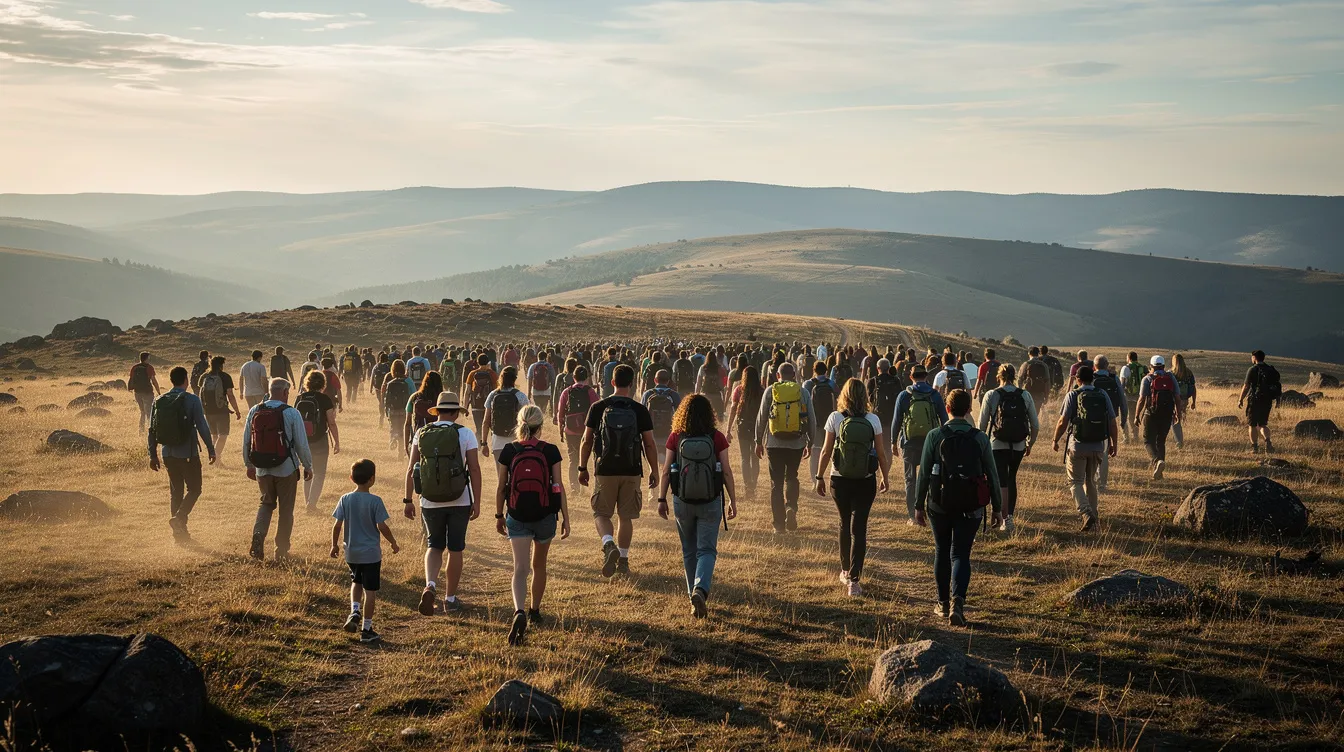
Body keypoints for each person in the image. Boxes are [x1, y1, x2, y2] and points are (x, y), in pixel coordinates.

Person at [914, 389, 1001, 627]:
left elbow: (923, 474)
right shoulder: (980, 438)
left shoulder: (935, 435)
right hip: (971, 505)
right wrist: (997, 508)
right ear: (969, 409)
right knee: (961, 553)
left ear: (947, 408)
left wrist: (918, 505)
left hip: (939, 504)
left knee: (942, 551)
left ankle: (942, 603)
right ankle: (958, 602)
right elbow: (992, 474)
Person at [495, 405, 570, 644]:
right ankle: (535, 610)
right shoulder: (551, 451)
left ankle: (519, 611)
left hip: (516, 514)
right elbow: (558, 486)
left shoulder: (509, 450)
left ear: (520, 424)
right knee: (539, 565)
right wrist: (565, 517)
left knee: (520, 568)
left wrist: (499, 515)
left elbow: (501, 487)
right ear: (541, 425)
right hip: (545, 515)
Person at [657, 394, 738, 619]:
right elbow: (727, 471)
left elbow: (666, 470)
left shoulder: (676, 437)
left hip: (682, 501)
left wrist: (661, 499)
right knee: (707, 550)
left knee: (688, 551)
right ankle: (700, 590)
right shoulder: (717, 437)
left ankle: (693, 596)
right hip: (710, 500)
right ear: (709, 414)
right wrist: (733, 499)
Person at [405, 391, 483, 615]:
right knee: (455, 548)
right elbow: (475, 469)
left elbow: (412, 469)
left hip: (429, 499)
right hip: (459, 498)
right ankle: (450, 599)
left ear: (437, 411)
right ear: (457, 413)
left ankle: (430, 585)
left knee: (434, 545)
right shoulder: (465, 433)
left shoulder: (422, 432)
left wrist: (407, 499)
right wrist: (477, 501)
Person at [579, 364, 659, 578]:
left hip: (605, 469)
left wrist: (582, 467)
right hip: (632, 469)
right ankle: (623, 560)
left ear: (612, 382)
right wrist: (654, 470)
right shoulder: (639, 409)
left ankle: (608, 544)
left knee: (601, 514)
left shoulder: (598, 407)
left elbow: (586, 441)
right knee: (626, 517)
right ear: (631, 384)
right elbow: (649, 444)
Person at [813, 379, 891, 596]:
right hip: (866, 479)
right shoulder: (873, 419)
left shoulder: (835, 417)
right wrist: (885, 476)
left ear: (844, 395)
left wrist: (819, 476)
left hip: (840, 479)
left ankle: (845, 570)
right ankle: (854, 581)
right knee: (860, 528)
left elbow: (826, 451)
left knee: (843, 524)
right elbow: (881, 454)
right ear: (865, 396)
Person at [243, 378, 314, 561]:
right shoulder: (291, 413)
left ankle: (258, 535)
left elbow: (246, 441)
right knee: (286, 510)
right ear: (285, 392)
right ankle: (281, 550)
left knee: (266, 504)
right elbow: (301, 443)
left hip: (262, 469)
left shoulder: (255, 410)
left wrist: (249, 465)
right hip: (286, 469)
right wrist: (307, 465)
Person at [330, 459, 399, 644]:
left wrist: (334, 545)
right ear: (372, 479)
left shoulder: (345, 499)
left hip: (351, 553)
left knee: (356, 581)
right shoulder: (375, 501)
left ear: (351, 478)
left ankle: (354, 610)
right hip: (370, 554)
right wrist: (393, 542)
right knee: (370, 591)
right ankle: (366, 629)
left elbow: (337, 525)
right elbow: (382, 526)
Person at [148, 366, 216, 544]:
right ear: (186, 380)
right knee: (195, 489)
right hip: (188, 453)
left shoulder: (159, 399)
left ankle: (179, 534)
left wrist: (152, 455)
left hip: (167, 453)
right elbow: (202, 425)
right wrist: (211, 448)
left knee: (176, 493)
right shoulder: (192, 399)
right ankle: (179, 519)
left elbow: (152, 430)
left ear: (171, 380)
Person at [1052, 366, 1117, 531]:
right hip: (1097, 446)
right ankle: (1094, 519)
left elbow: (1063, 421)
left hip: (1077, 445)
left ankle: (1086, 513)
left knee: (1075, 481)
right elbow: (1112, 421)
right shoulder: (1102, 394)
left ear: (1077, 379)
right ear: (1093, 379)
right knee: (1091, 481)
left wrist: (1055, 439)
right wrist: (1113, 443)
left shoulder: (1073, 394)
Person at [753, 363, 816, 534]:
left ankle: (779, 525)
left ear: (777, 375)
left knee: (776, 483)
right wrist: (810, 442)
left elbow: (762, 417)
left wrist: (758, 441)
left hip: (774, 443)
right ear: (794, 375)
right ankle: (791, 507)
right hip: (796, 443)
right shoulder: (803, 392)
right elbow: (811, 418)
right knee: (792, 476)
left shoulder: (770, 391)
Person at [976, 364, 1037, 534]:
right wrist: (1030, 443)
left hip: (997, 444)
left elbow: (982, 424)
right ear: (1014, 376)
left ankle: (1002, 518)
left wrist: (981, 444)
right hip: (1018, 444)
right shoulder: (1025, 395)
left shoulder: (991, 394)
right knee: (1011, 479)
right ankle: (1009, 516)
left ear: (999, 377)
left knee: (1000, 480)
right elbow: (1035, 424)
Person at [892, 365, 948, 524]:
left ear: (911, 377)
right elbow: (944, 419)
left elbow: (897, 421)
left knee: (910, 479)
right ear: (926, 377)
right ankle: (930, 512)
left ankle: (913, 515)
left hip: (909, 442)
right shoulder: (934, 395)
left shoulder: (904, 395)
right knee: (931, 477)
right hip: (930, 443)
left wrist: (893, 442)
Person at [295, 371, 341, 514]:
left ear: (307, 383)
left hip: (303, 441)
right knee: (319, 473)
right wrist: (337, 442)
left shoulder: (299, 398)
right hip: (320, 440)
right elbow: (331, 423)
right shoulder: (325, 399)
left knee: (307, 471)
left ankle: (307, 500)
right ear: (322, 384)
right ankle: (312, 504)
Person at [1135, 355, 1183, 480]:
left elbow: (1141, 400)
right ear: (1163, 366)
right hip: (1167, 414)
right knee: (1161, 441)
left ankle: (1157, 462)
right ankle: (1159, 472)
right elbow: (1177, 398)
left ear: (1151, 366)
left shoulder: (1147, 379)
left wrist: (1136, 415)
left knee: (1148, 441)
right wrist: (1178, 414)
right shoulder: (1171, 377)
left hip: (1151, 414)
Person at [556, 365, 599, 492]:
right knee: (588, 458)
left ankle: (574, 486)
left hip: (570, 430)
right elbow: (596, 409)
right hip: (587, 431)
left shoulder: (566, 392)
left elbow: (561, 412)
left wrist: (560, 430)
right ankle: (587, 485)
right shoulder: (590, 391)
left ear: (573, 377)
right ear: (586, 377)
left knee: (573, 458)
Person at [726, 365, 764, 499]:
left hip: (742, 426)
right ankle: (753, 484)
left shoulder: (739, 390)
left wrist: (728, 429)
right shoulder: (761, 391)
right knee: (755, 458)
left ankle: (748, 485)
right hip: (757, 427)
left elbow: (732, 410)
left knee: (744, 458)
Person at [1090, 356, 1127, 491]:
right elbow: (1122, 400)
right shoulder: (1114, 379)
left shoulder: (1091, 378)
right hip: (1108, 419)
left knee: (1091, 446)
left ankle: (1091, 478)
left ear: (1094, 366)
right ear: (1107, 366)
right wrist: (1123, 420)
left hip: (1091, 418)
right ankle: (1102, 483)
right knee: (1104, 451)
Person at [199, 355, 242, 464]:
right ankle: (216, 457)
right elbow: (230, 394)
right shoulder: (225, 376)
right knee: (223, 435)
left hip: (208, 410)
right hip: (221, 409)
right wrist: (236, 410)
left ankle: (214, 458)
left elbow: (200, 392)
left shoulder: (204, 376)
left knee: (214, 435)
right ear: (221, 365)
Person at [482, 367, 531, 459]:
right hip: (516, 441)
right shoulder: (520, 396)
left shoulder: (493, 395)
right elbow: (528, 421)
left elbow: (486, 421)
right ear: (514, 379)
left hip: (497, 441)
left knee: (500, 473)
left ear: (501, 378)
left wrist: (484, 443)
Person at [1239, 350, 1281, 454]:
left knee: (1252, 424)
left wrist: (1240, 399)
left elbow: (1246, 386)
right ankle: (1267, 442)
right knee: (1263, 424)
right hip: (1267, 400)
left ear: (1254, 357)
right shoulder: (1271, 369)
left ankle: (1254, 447)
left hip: (1255, 400)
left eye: (1251, 357)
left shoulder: (1252, 369)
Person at [404, 372, 444, 457]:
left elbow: (407, 423)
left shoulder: (414, 397)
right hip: (440, 439)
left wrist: (406, 446)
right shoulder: (442, 399)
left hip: (419, 438)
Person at [382, 360, 415, 457]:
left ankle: (393, 438)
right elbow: (414, 395)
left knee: (394, 427)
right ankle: (401, 453)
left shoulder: (390, 383)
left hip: (393, 411)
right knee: (404, 430)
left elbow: (386, 400)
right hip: (404, 410)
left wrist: (387, 412)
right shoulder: (408, 381)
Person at [642, 370, 681, 451]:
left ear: (655, 380)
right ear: (668, 381)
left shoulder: (647, 394)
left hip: (651, 433)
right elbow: (680, 416)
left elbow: (641, 415)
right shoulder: (674, 395)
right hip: (668, 433)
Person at [867, 358, 904, 438]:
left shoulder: (873, 381)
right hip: (892, 415)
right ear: (889, 368)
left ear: (878, 368)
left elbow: (869, 399)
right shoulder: (895, 380)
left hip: (877, 416)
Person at [128, 351, 162, 433]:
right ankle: (151, 430)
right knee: (150, 412)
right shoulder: (149, 367)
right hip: (148, 392)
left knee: (142, 412)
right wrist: (158, 391)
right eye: (149, 358)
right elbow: (154, 381)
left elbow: (131, 379)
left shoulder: (134, 367)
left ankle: (141, 431)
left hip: (137, 392)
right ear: (147, 358)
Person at [466, 354, 499, 439]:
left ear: (477, 362)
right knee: (492, 428)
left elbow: (467, 392)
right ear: (488, 362)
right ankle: (491, 446)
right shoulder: (492, 374)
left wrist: (465, 407)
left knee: (479, 428)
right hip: (489, 406)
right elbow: (497, 391)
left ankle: (479, 448)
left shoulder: (472, 374)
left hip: (476, 405)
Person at [1170, 354, 1197, 449]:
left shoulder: (1171, 373)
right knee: (1180, 416)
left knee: (1174, 419)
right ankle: (1180, 435)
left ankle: (1178, 440)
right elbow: (1193, 388)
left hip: (1173, 399)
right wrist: (1194, 401)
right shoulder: (1189, 373)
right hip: (1184, 399)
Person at [1019, 346, 1052, 416]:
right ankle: (1034, 426)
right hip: (1039, 394)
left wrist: (1019, 392)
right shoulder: (1044, 365)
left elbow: (1020, 379)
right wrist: (1046, 396)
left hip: (1027, 393)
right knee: (1035, 414)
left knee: (1025, 414)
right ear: (1038, 354)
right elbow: (1047, 382)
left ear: (1029, 353)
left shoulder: (1026, 364)